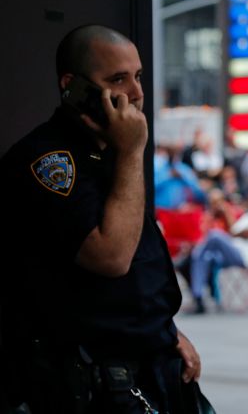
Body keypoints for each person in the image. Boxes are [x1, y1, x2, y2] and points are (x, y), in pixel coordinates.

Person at [0, 24, 208, 412]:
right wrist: (132, 154)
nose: (136, 92)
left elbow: (131, 278)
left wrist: (165, 332)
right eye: (117, 79)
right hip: (90, 382)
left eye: (138, 76)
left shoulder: (110, 154)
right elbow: (110, 258)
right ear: (72, 86)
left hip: (152, 364)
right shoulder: (48, 161)